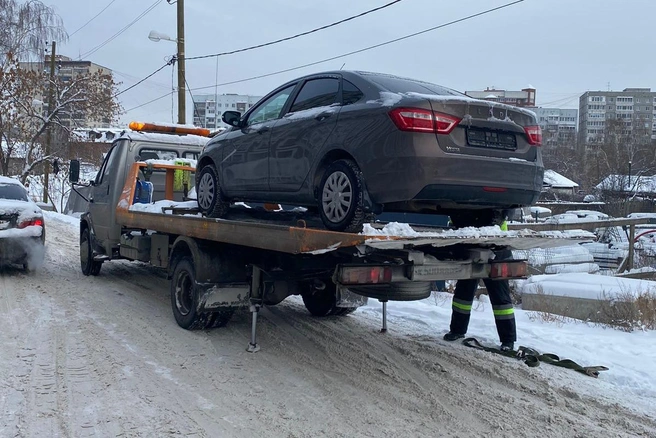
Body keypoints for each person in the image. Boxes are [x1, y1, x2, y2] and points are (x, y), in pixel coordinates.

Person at [443, 218, 516, 351]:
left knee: (501, 301)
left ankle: (508, 340)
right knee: (463, 295)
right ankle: (457, 331)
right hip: (472, 247)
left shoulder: (494, 208)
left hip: (497, 249)